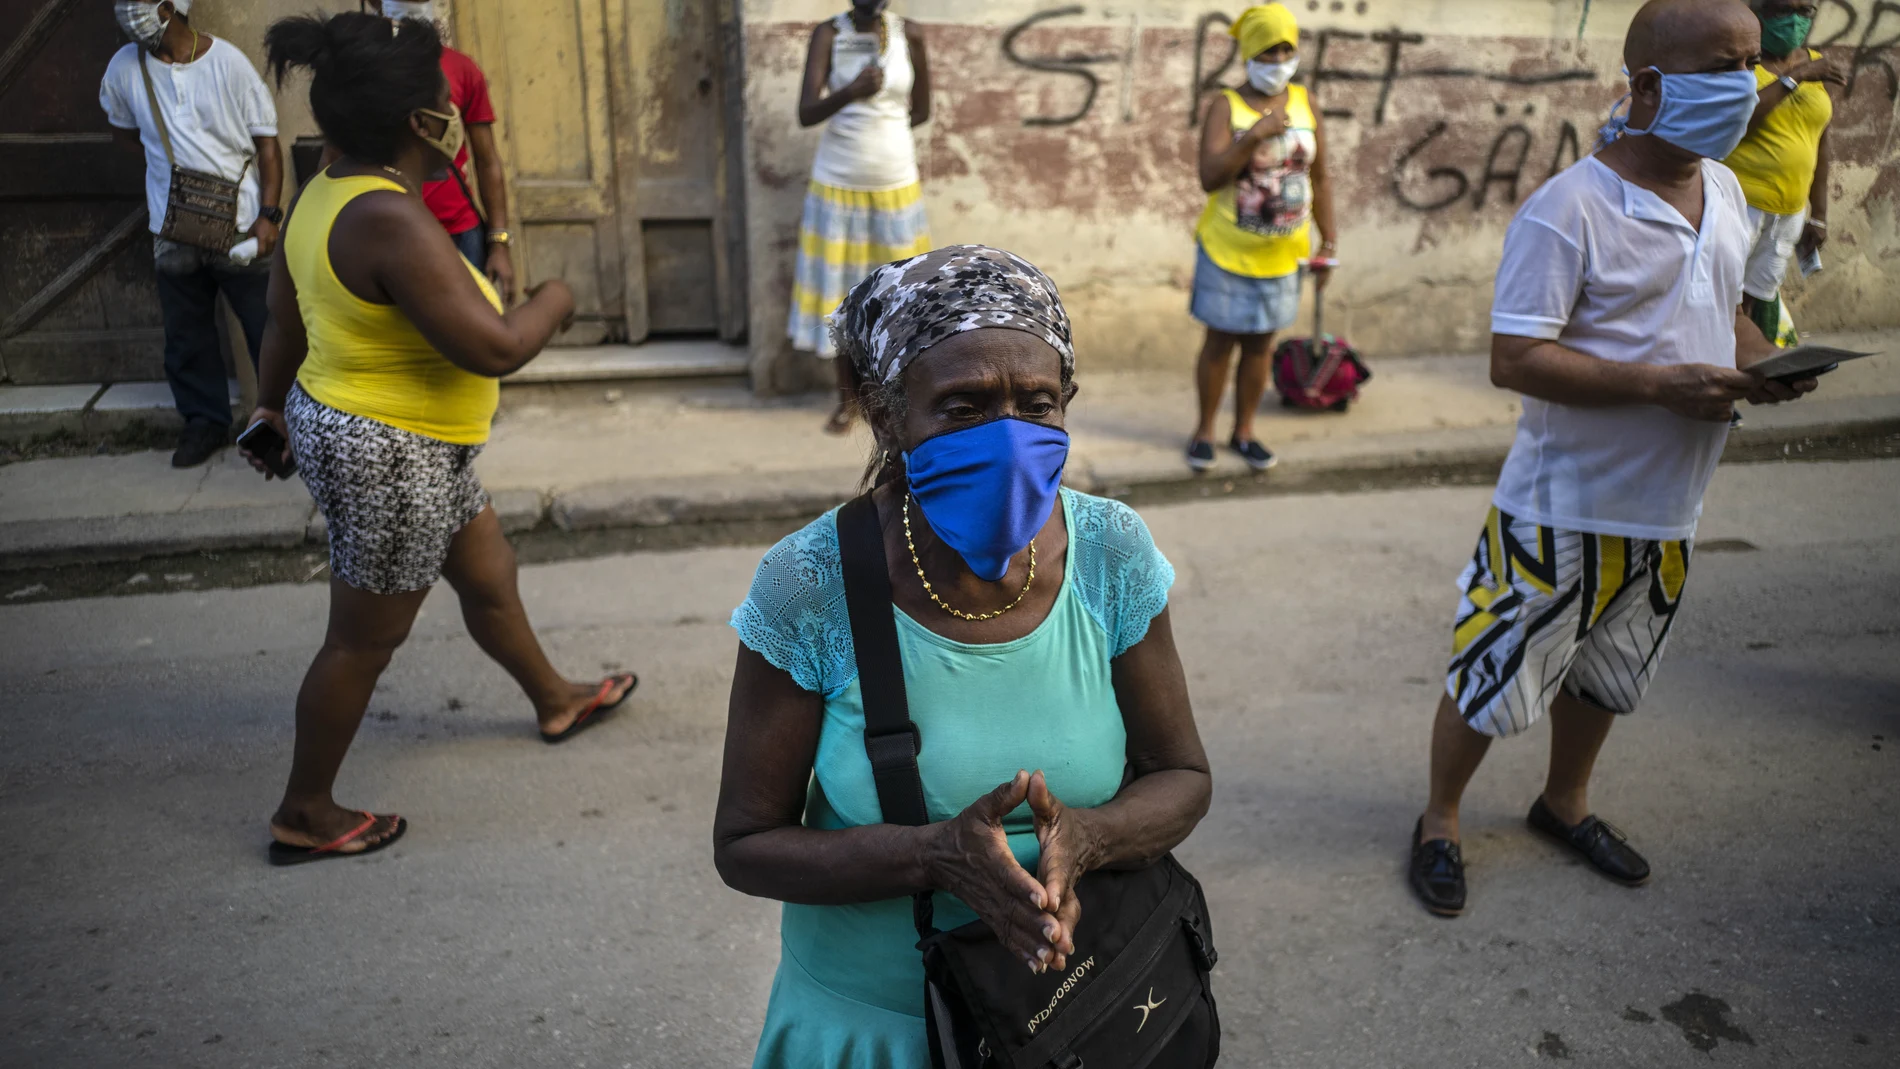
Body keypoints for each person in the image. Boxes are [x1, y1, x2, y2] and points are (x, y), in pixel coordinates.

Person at [715, 246, 1212, 1065]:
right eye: (963, 405)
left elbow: (1182, 778)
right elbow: (744, 842)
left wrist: (1090, 838)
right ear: (887, 414)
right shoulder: (810, 584)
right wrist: (933, 856)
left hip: (1075, 1013)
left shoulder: (1111, 551)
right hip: (875, 1023)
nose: (1009, 439)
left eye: (1037, 403)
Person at [1407, 0, 1819, 918]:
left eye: (1753, 62)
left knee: (1607, 675)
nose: (1747, 85)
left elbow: (1731, 312)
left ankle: (1565, 803)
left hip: (1670, 512)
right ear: (1646, 86)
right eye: (1724, 66)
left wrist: (1769, 366)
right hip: (1558, 511)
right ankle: (1439, 819)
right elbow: (1516, 357)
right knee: (1491, 678)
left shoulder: (1728, 190)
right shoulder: (1569, 210)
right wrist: (1658, 385)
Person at [245, 12, 636, 864]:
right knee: (361, 639)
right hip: (390, 450)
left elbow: (282, 322)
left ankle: (554, 696)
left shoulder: (325, 189)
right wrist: (558, 297)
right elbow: (495, 345)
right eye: (439, 100)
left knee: (487, 571)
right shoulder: (389, 219)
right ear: (423, 123)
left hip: (406, 440)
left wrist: (269, 408)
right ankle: (305, 810)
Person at [100, 0, 283, 468]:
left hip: (239, 225)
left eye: (135, 5)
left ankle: (288, 426)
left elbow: (268, 146)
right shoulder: (124, 68)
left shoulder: (228, 64)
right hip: (173, 228)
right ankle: (204, 424)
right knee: (186, 335)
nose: (126, 13)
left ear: (167, 8)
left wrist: (268, 216)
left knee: (269, 329)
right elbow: (125, 133)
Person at [1185, 2, 1336, 473]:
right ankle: (1205, 431)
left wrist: (1328, 243)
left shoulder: (1305, 102)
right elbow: (1209, 176)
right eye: (1269, 52)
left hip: (1284, 254)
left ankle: (1245, 431)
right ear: (1250, 54)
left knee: (1260, 346)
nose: (1279, 61)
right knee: (1220, 344)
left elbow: (1322, 177)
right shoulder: (1224, 105)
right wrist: (1251, 137)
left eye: (1287, 50)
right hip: (1228, 251)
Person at [789, 0, 933, 435]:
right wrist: (851, 92)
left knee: (899, 292)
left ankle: (899, 400)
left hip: (895, 186)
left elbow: (921, 110)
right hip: (837, 185)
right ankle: (848, 402)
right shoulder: (828, 34)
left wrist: (882, 131)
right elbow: (806, 112)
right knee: (840, 293)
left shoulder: (912, 34)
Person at [343, 0, 516, 303]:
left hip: (458, 233)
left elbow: (487, 161)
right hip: (388, 233)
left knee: (469, 338)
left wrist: (499, 242)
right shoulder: (363, 72)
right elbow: (337, 157)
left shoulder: (461, 68)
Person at [1722, 0, 1845, 344]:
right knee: (1721, 298)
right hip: (1738, 205)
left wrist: (1818, 215)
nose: (1793, 21)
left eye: (1804, 11)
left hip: (1788, 213)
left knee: (1757, 298)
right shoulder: (1739, 61)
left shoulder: (1816, 63)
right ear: (1756, 10)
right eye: (1781, 10)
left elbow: (1821, 141)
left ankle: (1744, 375)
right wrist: (1796, 78)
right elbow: (1739, 119)